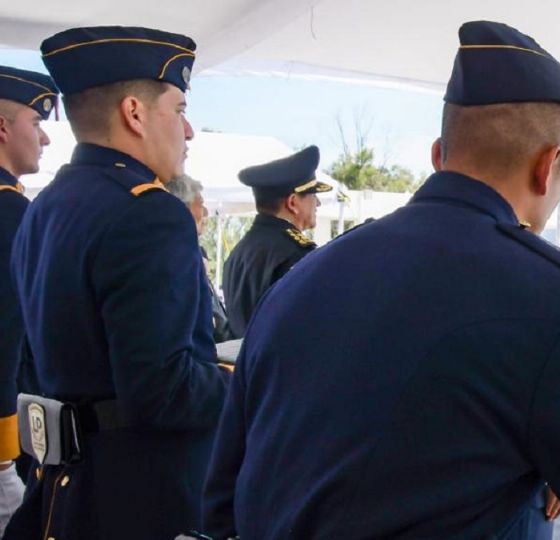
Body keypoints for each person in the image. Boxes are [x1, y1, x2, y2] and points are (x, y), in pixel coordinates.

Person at [202, 21, 560, 540]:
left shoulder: (306, 278)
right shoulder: (558, 302)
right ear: (548, 166)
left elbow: (222, 499)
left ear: (439, 155)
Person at [6, 27, 231, 539]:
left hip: (70, 487)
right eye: (178, 109)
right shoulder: (150, 214)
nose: (189, 129)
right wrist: (251, 381)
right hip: (142, 496)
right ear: (134, 113)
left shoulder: (45, 208)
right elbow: (164, 391)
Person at [0, 65, 57, 536]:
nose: (45, 140)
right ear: (2, 127)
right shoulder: (10, 211)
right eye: (35, 124)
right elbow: (6, 334)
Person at [221, 146, 332, 338]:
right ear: (293, 203)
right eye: (314, 196)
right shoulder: (295, 253)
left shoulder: (239, 252)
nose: (318, 204)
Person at [167, 173, 230, 342]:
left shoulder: (193, 252)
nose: (206, 212)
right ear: (182, 208)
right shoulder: (177, 256)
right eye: (200, 204)